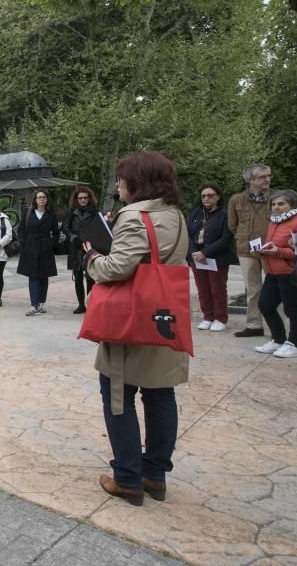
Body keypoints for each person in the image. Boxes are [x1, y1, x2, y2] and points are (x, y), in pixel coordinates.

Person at [82, 151, 189, 506]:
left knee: (117, 393)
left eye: (121, 178)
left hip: (130, 318)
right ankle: (154, 476)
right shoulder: (175, 215)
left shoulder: (134, 216)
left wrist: (92, 258)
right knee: (160, 394)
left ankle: (127, 477)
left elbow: (116, 268)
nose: (118, 184)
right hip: (164, 316)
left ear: (137, 182)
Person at [252, 189, 297, 358]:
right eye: (273, 204)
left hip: (291, 273)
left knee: (293, 310)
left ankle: (295, 344)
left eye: (281, 204)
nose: (276, 207)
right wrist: (264, 250)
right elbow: (274, 245)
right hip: (272, 272)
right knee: (265, 305)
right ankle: (278, 340)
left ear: (293, 204)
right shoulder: (274, 221)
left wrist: (278, 252)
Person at [227, 163, 273, 337]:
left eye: (269, 176)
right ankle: (254, 325)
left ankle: (283, 327)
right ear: (250, 180)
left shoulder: (277, 197)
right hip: (246, 250)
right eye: (262, 177)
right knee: (253, 289)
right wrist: (244, 237)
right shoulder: (236, 199)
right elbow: (232, 225)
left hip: (271, 249)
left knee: (277, 288)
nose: (267, 179)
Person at [186, 185, 238, 332]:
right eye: (204, 196)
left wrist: (206, 253)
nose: (206, 198)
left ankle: (220, 318)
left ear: (218, 197)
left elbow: (226, 238)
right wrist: (194, 252)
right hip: (196, 258)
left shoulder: (225, 215)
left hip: (217, 258)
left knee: (218, 289)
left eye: (210, 195)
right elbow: (188, 235)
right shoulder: (195, 214)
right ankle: (207, 316)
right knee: (203, 289)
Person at [18, 190, 60, 316]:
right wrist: (24, 243)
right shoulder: (28, 212)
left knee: (44, 276)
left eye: (44, 197)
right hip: (30, 248)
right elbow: (21, 230)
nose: (41, 199)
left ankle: (41, 303)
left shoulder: (51, 214)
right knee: (33, 276)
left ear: (47, 200)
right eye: (39, 197)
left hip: (46, 247)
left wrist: (51, 244)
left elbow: (56, 232)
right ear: (35, 200)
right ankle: (34, 305)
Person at [65, 187, 100, 314]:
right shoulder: (71, 212)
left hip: (90, 247)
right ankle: (81, 305)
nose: (83, 200)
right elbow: (65, 227)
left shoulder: (95, 212)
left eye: (85, 197)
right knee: (78, 277)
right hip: (75, 248)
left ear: (89, 198)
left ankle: (90, 304)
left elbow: (99, 229)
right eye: (80, 198)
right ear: (76, 199)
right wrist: (73, 237)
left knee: (91, 277)